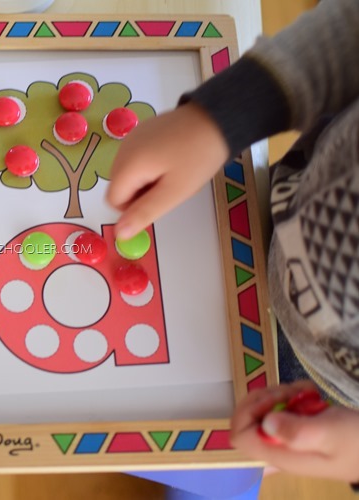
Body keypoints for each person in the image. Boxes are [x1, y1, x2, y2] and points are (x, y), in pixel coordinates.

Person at [105, 0, 359, 483]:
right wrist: (220, 119)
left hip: (336, 387)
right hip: (278, 218)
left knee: (226, 458)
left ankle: (210, 480)